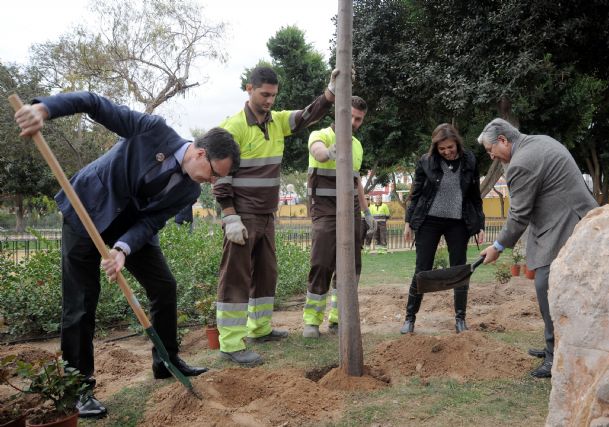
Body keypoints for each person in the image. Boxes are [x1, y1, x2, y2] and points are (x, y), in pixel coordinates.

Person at [13, 91, 241, 418]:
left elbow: (151, 221)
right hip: (87, 209)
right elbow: (94, 103)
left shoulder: (189, 190)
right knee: (80, 301)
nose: (212, 182)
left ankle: (165, 359)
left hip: (131, 228)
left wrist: (122, 248)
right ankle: (79, 389)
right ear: (201, 153)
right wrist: (44, 110)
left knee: (164, 285)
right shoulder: (152, 130)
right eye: (214, 173)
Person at [213, 66, 340, 365]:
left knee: (266, 273)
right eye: (264, 94)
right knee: (235, 277)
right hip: (242, 216)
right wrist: (230, 216)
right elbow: (219, 176)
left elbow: (308, 115)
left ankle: (260, 328)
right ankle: (230, 344)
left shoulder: (277, 122)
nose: (269, 100)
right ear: (249, 89)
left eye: (273, 95)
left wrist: (330, 93)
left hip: (266, 215)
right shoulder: (233, 128)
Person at [477, 118, 597, 378]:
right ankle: (555, 345)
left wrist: (497, 246)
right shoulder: (538, 141)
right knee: (550, 284)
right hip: (563, 218)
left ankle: (556, 356)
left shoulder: (521, 162)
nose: (492, 157)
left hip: (567, 221)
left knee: (546, 284)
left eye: (491, 151)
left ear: (503, 140)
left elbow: (519, 213)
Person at [401, 123, 485, 335]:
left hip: (458, 222)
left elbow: (475, 195)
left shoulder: (469, 160)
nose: (447, 152)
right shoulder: (426, 162)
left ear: (457, 142)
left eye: (450, 147)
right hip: (429, 221)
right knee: (422, 268)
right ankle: (409, 319)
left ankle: (460, 319)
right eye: (442, 149)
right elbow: (416, 193)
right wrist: (408, 222)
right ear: (436, 148)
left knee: (460, 269)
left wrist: (479, 224)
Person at [302, 96, 375, 338]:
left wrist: (366, 212)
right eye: (351, 116)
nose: (354, 122)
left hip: (351, 208)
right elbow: (318, 152)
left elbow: (357, 181)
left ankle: (340, 318)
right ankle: (312, 321)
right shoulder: (320, 135)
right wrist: (331, 152)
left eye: (359, 119)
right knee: (322, 262)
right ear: (339, 113)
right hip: (324, 209)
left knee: (352, 264)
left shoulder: (357, 146)